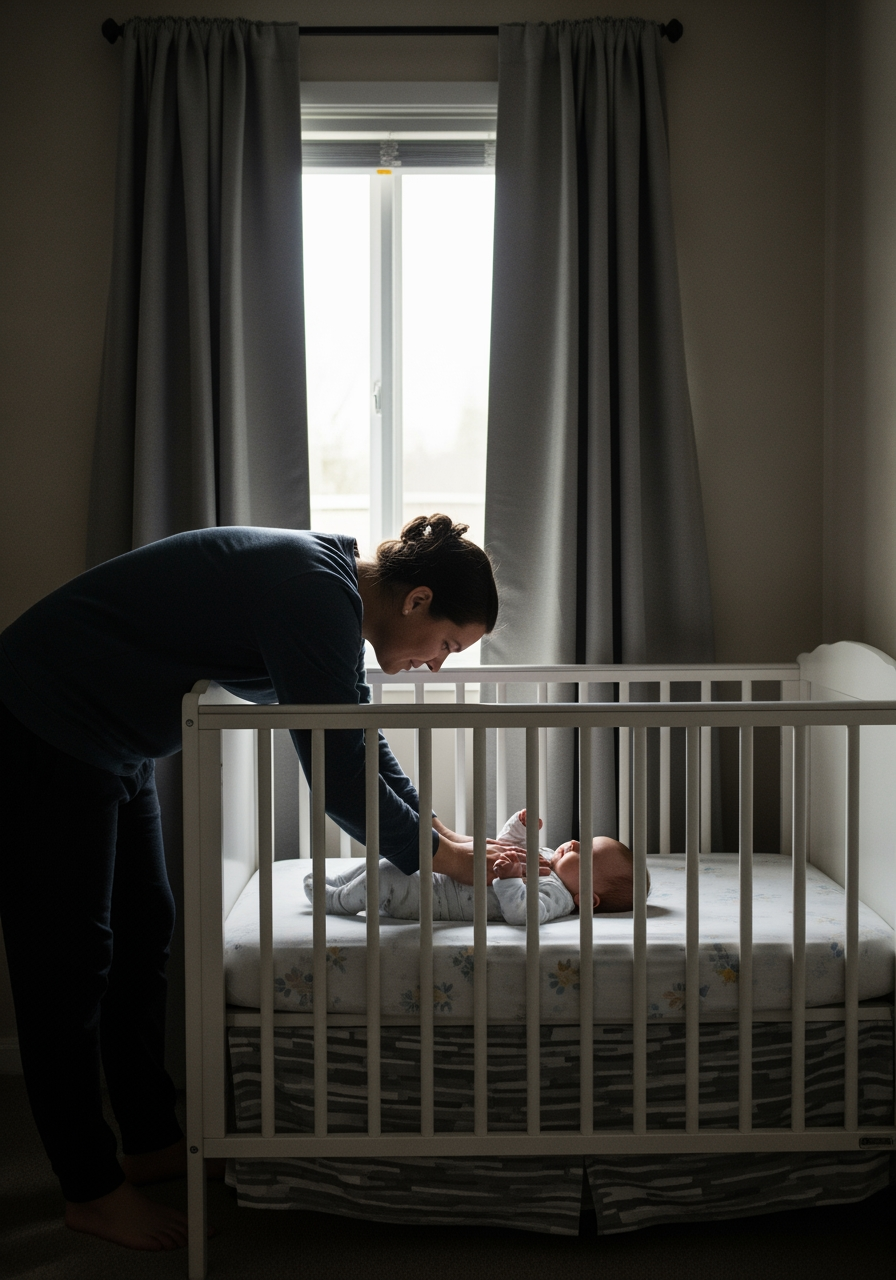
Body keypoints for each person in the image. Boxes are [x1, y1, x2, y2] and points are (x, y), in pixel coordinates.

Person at [0, 514, 498, 1251]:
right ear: (418, 601)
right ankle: (89, 1189)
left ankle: (146, 1139)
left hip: (114, 742)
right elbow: (340, 781)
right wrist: (441, 857)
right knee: (68, 964)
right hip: (46, 720)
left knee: (145, 928)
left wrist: (443, 836)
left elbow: (357, 736)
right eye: (447, 647)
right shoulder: (310, 591)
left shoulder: (327, 593)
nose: (437, 666)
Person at [308, 809, 643, 924]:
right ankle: (336, 881)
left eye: (584, 855)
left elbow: (523, 914)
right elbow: (502, 846)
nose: (574, 844)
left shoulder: (558, 896)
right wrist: (519, 827)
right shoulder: (544, 856)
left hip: (435, 900)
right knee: (388, 861)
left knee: (387, 876)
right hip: (441, 874)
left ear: (587, 898)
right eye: (581, 841)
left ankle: (336, 902)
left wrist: (510, 879)